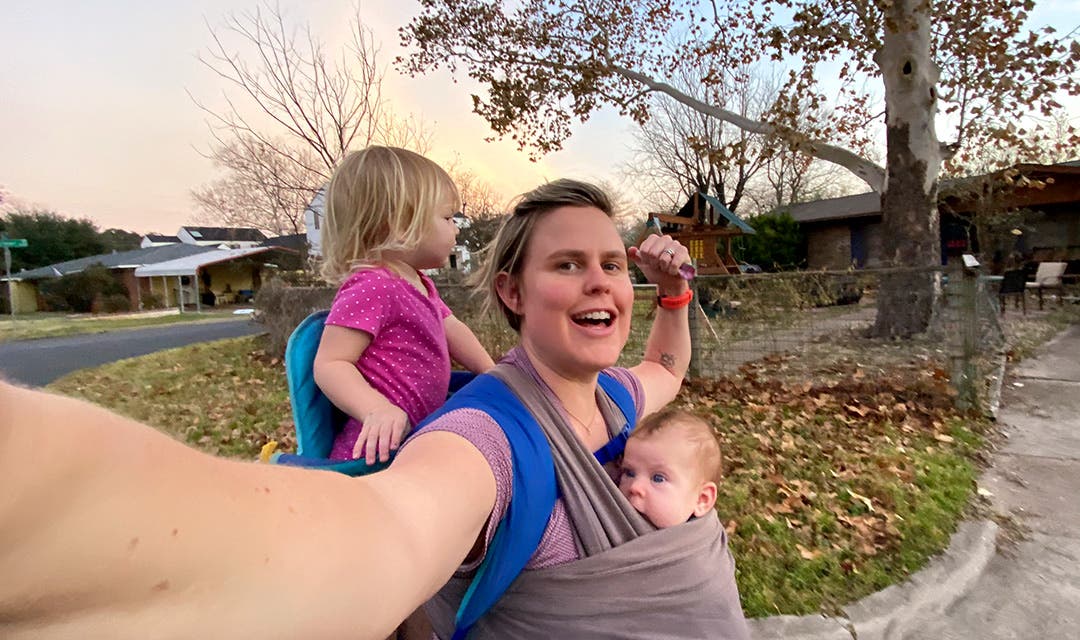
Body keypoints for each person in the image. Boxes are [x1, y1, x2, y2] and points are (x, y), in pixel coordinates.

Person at [0, 179, 748, 639]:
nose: (601, 283)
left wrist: (675, 296)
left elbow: (666, 370)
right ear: (513, 293)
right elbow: (381, 533)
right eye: (567, 264)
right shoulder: (484, 439)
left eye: (612, 265)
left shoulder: (617, 396)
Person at [313, 146, 494, 464]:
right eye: (448, 217)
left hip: (417, 439)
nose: (457, 227)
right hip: (376, 450)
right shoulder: (373, 284)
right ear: (399, 223)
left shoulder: (419, 282)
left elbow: (452, 329)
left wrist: (492, 373)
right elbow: (330, 364)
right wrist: (376, 409)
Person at [618, 407, 722, 528]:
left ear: (701, 499)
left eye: (658, 478)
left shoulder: (699, 544)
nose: (634, 487)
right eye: (629, 473)